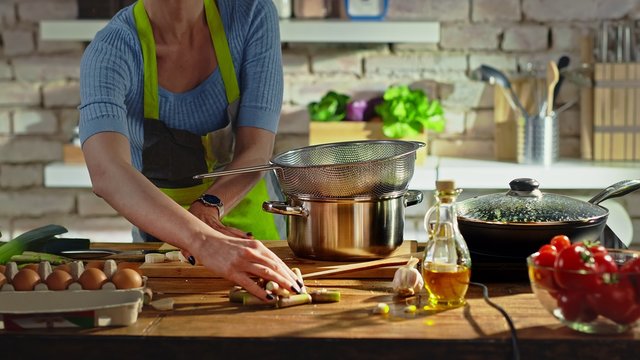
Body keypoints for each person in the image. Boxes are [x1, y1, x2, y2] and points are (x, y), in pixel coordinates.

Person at [78, 0, 302, 300]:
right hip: (165, 236)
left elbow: (256, 149)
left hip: (253, 225)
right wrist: (202, 240)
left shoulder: (252, 13)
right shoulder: (111, 51)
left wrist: (208, 208)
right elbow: (107, 172)